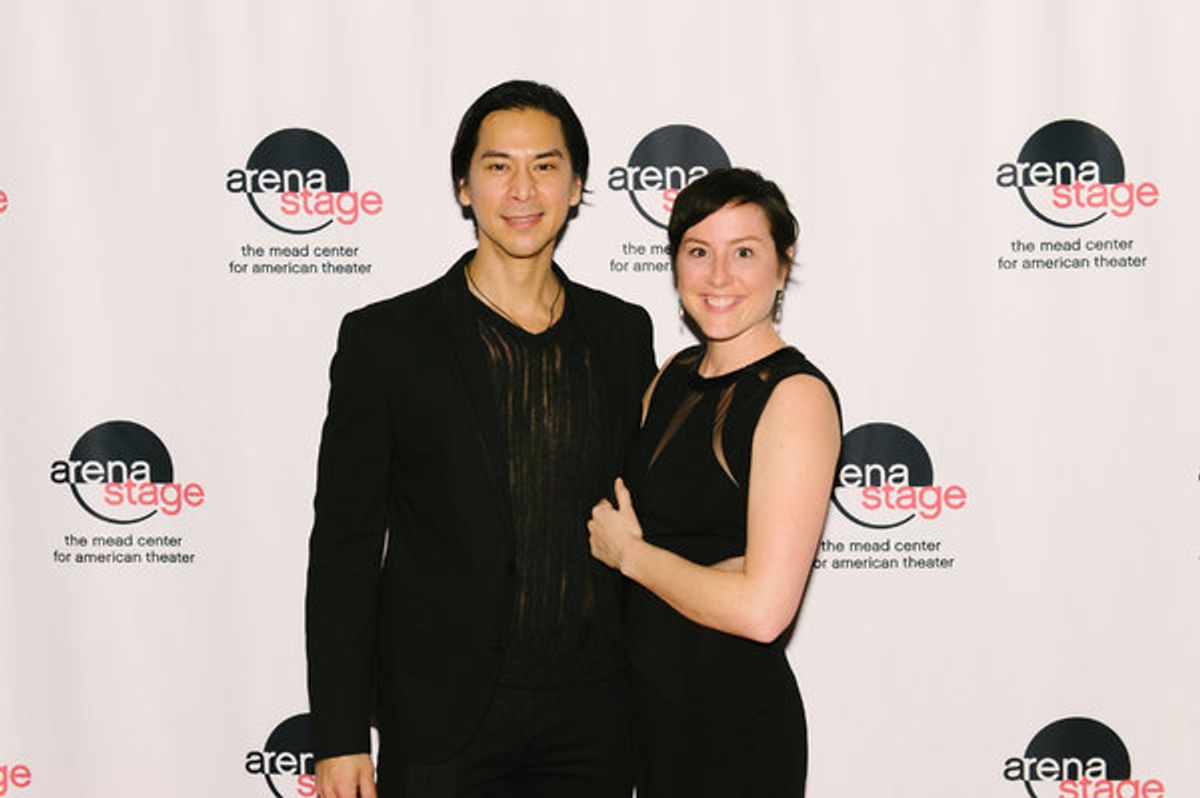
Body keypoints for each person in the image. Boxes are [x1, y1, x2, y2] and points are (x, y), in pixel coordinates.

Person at [307, 80, 656, 798]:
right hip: (443, 720)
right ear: (464, 187)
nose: (522, 189)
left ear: (579, 185)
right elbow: (344, 548)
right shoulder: (386, 341)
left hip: (595, 717)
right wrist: (340, 734)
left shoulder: (624, 334)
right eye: (498, 166)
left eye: (546, 165)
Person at [587, 167, 841, 797]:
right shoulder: (671, 375)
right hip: (647, 719)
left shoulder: (795, 397)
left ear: (782, 268)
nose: (719, 277)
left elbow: (762, 611)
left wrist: (633, 557)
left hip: (731, 730)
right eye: (699, 252)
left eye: (744, 253)